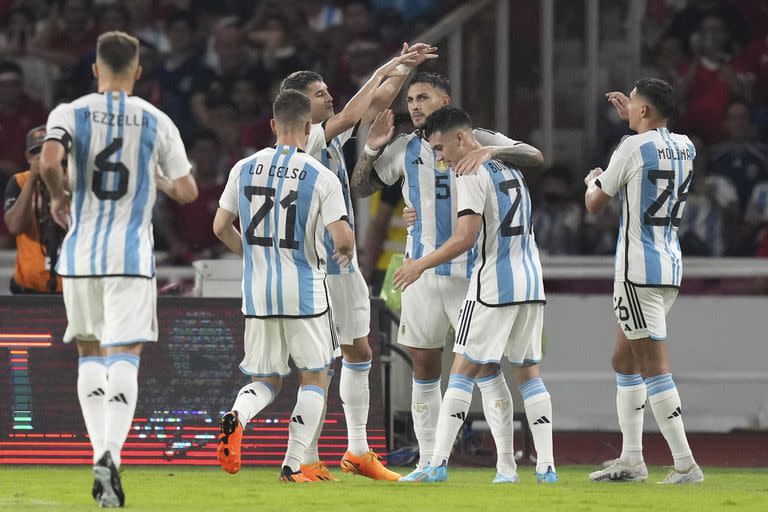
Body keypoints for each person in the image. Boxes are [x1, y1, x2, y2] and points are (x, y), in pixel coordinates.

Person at [350, 72, 557, 483]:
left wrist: (491, 151)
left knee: (484, 369)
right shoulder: (406, 147)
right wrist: (372, 149)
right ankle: (429, 462)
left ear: (445, 100)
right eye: (410, 99)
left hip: (471, 274)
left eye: (423, 97)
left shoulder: (475, 138)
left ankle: (504, 464)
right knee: (424, 368)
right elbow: (361, 187)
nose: (414, 106)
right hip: (422, 275)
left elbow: (534, 156)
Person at [39, 31, 198, 507]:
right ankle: (111, 453)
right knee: (124, 356)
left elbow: (49, 160)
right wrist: (160, 179)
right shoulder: (155, 119)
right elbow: (189, 191)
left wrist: (58, 195)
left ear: (95, 69)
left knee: (89, 355)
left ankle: (97, 457)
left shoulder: (70, 111)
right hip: (130, 259)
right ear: (138, 71)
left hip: (81, 257)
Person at [278, 43, 435, 481]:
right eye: (319, 93)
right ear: (299, 106)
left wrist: (404, 70)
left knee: (358, 348)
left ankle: (357, 451)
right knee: (319, 361)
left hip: (339, 265)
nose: (328, 97)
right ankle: (305, 458)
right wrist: (394, 64)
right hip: (318, 265)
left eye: (329, 91)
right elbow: (352, 111)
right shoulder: (306, 141)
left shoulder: (324, 135)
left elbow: (375, 102)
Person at [391, 106, 546, 483]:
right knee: (519, 372)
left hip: (483, 282)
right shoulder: (511, 169)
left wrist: (419, 263)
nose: (439, 158)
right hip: (527, 280)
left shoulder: (474, 168)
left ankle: (437, 464)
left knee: (470, 371)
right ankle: (538, 467)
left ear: (461, 136)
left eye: (442, 148)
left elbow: (465, 237)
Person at [212, 90, 354, 483]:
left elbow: (220, 227)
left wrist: (254, 255)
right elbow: (342, 239)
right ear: (309, 128)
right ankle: (293, 465)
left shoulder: (242, 168)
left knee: (265, 379)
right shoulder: (320, 175)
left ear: (273, 125)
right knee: (316, 376)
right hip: (306, 291)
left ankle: (237, 416)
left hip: (258, 293)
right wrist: (343, 250)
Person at [584, 78, 703, 484]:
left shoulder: (631, 147)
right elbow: (650, 155)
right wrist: (634, 123)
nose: (627, 107)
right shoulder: (686, 146)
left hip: (637, 270)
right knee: (624, 360)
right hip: (669, 265)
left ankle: (686, 464)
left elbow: (595, 204)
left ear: (645, 111)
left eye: (633, 103)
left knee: (654, 369)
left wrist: (592, 180)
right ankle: (632, 459)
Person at [3, 125, 65, 293]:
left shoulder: (73, 180)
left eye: (48, 152)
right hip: (28, 288)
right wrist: (32, 180)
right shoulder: (20, 181)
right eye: (37, 153)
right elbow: (15, 227)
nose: (43, 158)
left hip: (67, 288)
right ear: (28, 157)